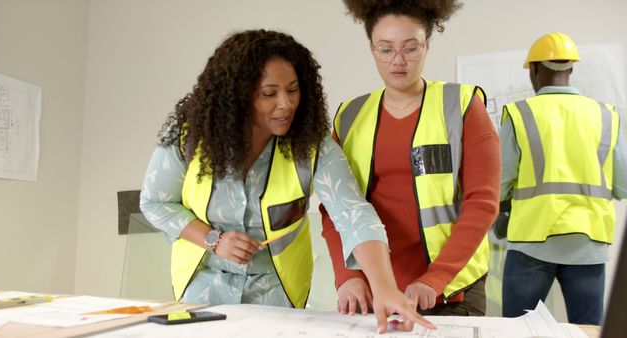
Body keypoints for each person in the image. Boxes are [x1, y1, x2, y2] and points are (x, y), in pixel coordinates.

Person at [139, 29, 434, 333]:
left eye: (293, 90)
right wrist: (213, 240)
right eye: (269, 94)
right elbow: (154, 203)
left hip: (278, 293)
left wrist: (384, 287)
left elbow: (353, 213)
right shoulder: (191, 137)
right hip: (202, 289)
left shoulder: (310, 143)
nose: (286, 104)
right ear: (238, 96)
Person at [321, 0, 500, 317]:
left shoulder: (461, 106)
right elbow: (334, 207)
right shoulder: (349, 116)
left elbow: (482, 204)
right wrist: (347, 277)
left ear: (427, 45)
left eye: (411, 48)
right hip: (377, 290)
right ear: (372, 49)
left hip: (450, 292)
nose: (398, 61)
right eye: (385, 49)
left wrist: (435, 279)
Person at [500, 32, 627, 324]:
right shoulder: (606, 115)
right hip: (589, 246)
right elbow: (623, 184)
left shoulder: (520, 114)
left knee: (517, 333)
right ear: (571, 68)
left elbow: (499, 183)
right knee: (586, 332)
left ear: (533, 69)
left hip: (530, 241)